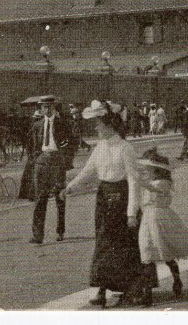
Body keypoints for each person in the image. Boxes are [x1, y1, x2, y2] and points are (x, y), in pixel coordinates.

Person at [61, 100, 142, 307]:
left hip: (121, 198)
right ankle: (102, 289)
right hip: (104, 198)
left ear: (109, 124)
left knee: (122, 245)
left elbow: (134, 180)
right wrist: (70, 187)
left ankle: (130, 288)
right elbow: (88, 171)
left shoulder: (125, 148)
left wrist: (132, 211)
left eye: (98, 123)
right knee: (103, 243)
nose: (95, 127)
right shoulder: (100, 147)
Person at [135, 148, 188, 306]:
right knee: (146, 253)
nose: (146, 171)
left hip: (160, 219)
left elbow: (153, 189)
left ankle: (177, 280)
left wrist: (138, 180)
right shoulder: (151, 182)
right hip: (148, 218)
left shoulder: (163, 183)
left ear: (156, 169)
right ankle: (147, 293)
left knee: (165, 253)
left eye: (148, 169)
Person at [29, 97, 73, 244]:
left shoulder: (62, 124)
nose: (47, 109)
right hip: (42, 162)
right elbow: (34, 145)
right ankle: (37, 235)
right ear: (40, 109)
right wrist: (37, 159)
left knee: (60, 197)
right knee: (40, 199)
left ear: (54, 107)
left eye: (50, 107)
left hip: (57, 162)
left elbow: (71, 142)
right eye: (44, 107)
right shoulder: (37, 125)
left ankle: (60, 231)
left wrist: (66, 160)